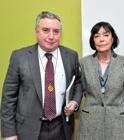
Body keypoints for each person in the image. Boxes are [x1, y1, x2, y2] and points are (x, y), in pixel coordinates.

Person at [0, 11, 82, 140]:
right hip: (28, 130)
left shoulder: (71, 56)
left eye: (56, 31)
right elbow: (8, 98)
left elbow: (77, 82)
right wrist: (9, 132)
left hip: (61, 128)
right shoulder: (20, 57)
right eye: (45, 30)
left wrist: (75, 102)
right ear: (36, 31)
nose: (51, 36)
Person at [78, 21, 124, 140]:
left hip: (117, 120)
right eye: (97, 36)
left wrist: (116, 107)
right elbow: (84, 90)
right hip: (90, 120)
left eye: (106, 35)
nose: (101, 39)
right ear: (93, 40)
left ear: (113, 39)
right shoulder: (84, 63)